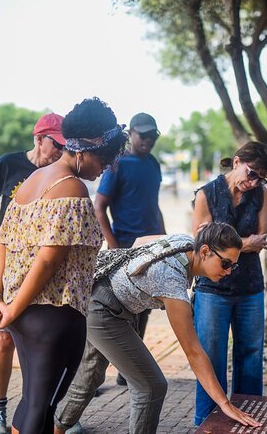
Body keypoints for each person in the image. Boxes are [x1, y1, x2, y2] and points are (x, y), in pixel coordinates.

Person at [0, 97, 128, 434]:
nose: (105, 167)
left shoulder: (31, 184)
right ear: (83, 151)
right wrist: (10, 309)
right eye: (105, 158)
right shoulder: (72, 188)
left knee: (32, 404)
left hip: (25, 317)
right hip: (56, 317)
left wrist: (0, 299)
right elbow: (49, 260)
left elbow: (4, 243)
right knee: (40, 409)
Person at [53, 223, 261, 434]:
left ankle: (57, 427)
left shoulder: (185, 242)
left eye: (233, 266)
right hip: (103, 310)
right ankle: (58, 426)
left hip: (103, 297)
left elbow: (140, 242)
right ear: (205, 251)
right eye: (225, 263)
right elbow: (193, 352)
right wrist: (224, 404)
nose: (228, 271)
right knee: (151, 386)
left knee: (92, 375)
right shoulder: (171, 281)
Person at [0, 113, 66, 434]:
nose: (59, 151)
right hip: (10, 262)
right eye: (56, 144)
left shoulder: (60, 174)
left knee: (41, 341)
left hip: (42, 266)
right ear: (38, 138)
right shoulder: (9, 164)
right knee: (4, 338)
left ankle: (42, 408)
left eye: (64, 146)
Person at [191, 141, 267, 426]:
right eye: (251, 173)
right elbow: (202, 245)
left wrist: (231, 243)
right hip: (212, 288)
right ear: (237, 161)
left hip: (250, 286)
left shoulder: (261, 194)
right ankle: (206, 422)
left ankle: (250, 417)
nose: (253, 182)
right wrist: (244, 242)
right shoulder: (206, 194)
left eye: (260, 178)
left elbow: (261, 239)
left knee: (251, 357)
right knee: (211, 358)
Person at [94, 112, 165, 385]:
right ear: (131, 135)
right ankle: (100, 373)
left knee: (145, 305)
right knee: (120, 306)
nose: (148, 140)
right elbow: (100, 208)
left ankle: (129, 370)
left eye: (152, 135)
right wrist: (113, 247)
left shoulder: (154, 165)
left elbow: (153, 204)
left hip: (151, 245)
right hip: (123, 246)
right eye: (142, 134)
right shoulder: (118, 164)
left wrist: (163, 238)